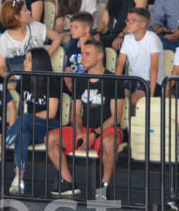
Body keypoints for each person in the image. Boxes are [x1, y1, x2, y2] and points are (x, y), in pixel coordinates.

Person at [47, 39, 122, 198]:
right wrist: (79, 132)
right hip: (84, 129)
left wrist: (94, 134)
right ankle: (69, 182)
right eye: (82, 54)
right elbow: (75, 112)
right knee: (50, 138)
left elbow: (116, 117)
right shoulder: (79, 78)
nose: (83, 57)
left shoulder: (113, 79)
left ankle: (104, 187)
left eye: (87, 54)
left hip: (105, 130)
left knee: (109, 142)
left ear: (100, 55)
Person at [3, 47, 59, 194]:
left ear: (39, 62)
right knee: (23, 134)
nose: (24, 62)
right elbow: (11, 86)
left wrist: (28, 119)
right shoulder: (26, 79)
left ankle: (1, 149)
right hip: (30, 125)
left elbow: (51, 113)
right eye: (25, 59)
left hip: (50, 126)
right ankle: (18, 179)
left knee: (26, 118)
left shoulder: (52, 81)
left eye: (29, 59)